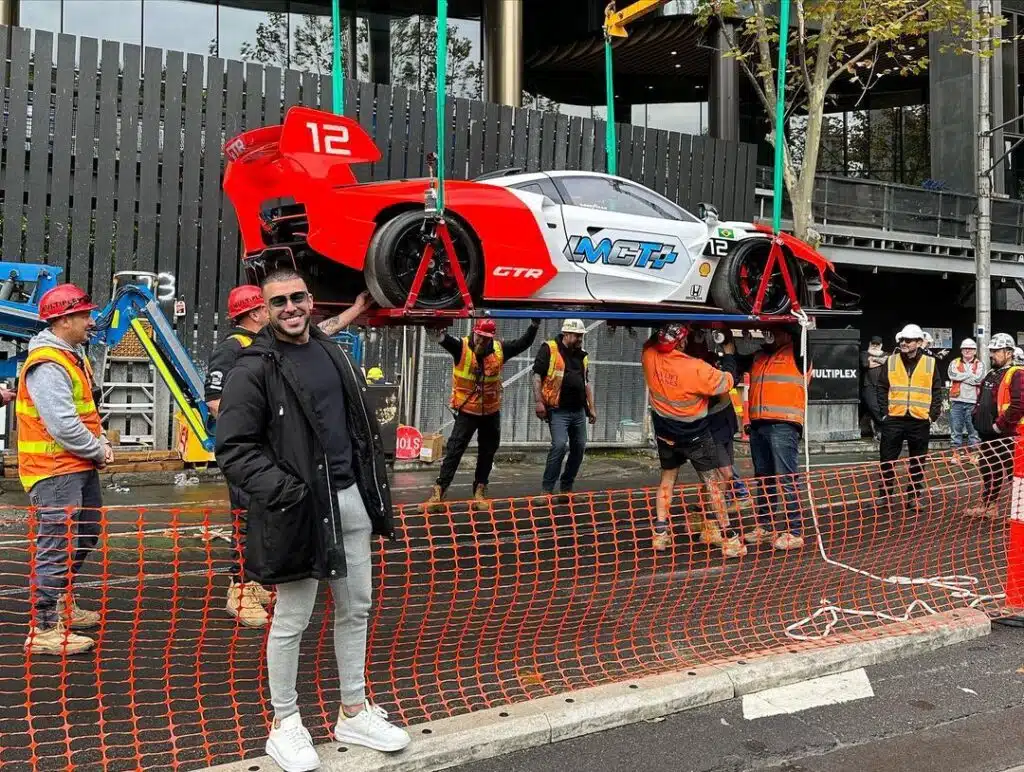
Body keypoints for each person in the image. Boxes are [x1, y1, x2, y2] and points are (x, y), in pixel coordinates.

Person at [215, 269, 409, 771]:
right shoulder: (252, 367)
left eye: (297, 297)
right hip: (300, 510)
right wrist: (288, 493)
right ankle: (285, 723)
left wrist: (369, 490)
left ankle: (353, 710)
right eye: (278, 301)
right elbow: (234, 449)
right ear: (265, 308)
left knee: (356, 610)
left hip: (352, 502)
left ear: (310, 300)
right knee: (292, 621)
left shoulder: (329, 350)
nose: (290, 307)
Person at [205, 286, 374, 629]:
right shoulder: (234, 349)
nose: (285, 310)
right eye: (274, 304)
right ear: (256, 312)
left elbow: (320, 331)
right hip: (258, 457)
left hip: (279, 456)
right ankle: (240, 592)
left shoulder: (277, 342)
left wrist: (355, 309)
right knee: (248, 521)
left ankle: (253, 584)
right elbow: (216, 402)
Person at [19, 283, 113, 656]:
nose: (90, 322)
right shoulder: (48, 363)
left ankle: (59, 601)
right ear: (65, 319)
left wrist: (99, 442)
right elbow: (62, 424)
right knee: (55, 545)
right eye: (85, 316)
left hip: (77, 465)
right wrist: (99, 450)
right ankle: (43, 627)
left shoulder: (71, 355)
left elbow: (86, 411)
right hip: (54, 469)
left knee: (86, 532)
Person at [641, 323, 745, 558]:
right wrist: (729, 353)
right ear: (682, 342)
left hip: (665, 434)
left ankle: (660, 534)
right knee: (713, 482)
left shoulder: (649, 356)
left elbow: (648, 344)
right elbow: (727, 381)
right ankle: (729, 537)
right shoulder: (696, 368)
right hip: (695, 436)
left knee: (667, 480)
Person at [422, 318, 540, 512]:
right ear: (474, 333)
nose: (480, 342)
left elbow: (523, 343)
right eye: (478, 337)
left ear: (491, 339)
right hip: (467, 412)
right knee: (454, 451)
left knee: (487, 451)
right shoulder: (462, 348)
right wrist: (432, 328)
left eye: (485, 339)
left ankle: (480, 491)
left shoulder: (500, 350)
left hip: (491, 412)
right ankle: (439, 490)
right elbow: (441, 338)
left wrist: (534, 326)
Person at [722, 325, 809, 551]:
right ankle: (766, 525)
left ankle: (795, 531)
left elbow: (802, 332)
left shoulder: (799, 354)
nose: (769, 334)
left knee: (787, 478)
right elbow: (735, 365)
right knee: (764, 478)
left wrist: (785, 318)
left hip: (784, 424)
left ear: (788, 333)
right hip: (759, 424)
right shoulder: (760, 355)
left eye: (775, 330)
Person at [876, 323, 943, 510]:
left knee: (918, 460)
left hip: (919, 419)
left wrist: (932, 416)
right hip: (894, 418)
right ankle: (885, 494)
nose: (904, 343)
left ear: (919, 342)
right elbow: (881, 388)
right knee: (887, 458)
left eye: (909, 340)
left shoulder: (930, 363)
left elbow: (936, 391)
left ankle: (914, 496)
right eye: (902, 340)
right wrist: (884, 414)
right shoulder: (891, 361)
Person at [533, 318, 596, 496]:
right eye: (577, 336)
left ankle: (566, 488)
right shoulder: (550, 349)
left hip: (578, 410)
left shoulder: (582, 355)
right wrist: (538, 402)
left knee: (579, 447)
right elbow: (537, 376)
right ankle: (547, 489)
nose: (580, 340)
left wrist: (591, 407)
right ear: (566, 334)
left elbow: (586, 383)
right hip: (558, 409)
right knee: (559, 445)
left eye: (581, 336)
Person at [969, 333, 1024, 518]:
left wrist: (999, 427)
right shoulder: (992, 374)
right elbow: (981, 400)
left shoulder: (1017, 373)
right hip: (989, 434)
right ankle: (989, 505)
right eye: (991, 351)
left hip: (1008, 434)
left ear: (1008, 352)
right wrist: (976, 416)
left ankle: (1020, 513)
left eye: (996, 351)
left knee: (1013, 473)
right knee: (989, 469)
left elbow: (1018, 405)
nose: (992, 354)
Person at [947, 338, 984, 462]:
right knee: (955, 429)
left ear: (975, 351)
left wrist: (961, 377)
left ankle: (973, 454)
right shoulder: (954, 362)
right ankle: (956, 454)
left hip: (973, 401)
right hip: (956, 400)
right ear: (961, 350)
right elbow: (952, 375)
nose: (967, 350)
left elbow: (978, 379)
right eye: (965, 348)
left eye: (971, 348)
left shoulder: (980, 364)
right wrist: (969, 376)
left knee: (973, 430)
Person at [861, 336, 887, 440]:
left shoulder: (887, 354)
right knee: (873, 407)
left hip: (883, 385)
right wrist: (881, 361)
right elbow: (866, 364)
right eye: (873, 344)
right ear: (870, 344)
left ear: (881, 345)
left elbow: (888, 362)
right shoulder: (864, 354)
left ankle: (881, 431)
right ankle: (884, 425)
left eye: (877, 344)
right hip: (869, 385)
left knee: (882, 407)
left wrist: (875, 359)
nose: (875, 346)